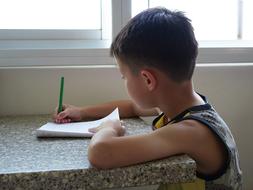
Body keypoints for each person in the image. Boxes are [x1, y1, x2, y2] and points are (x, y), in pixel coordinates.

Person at [53, 7, 242, 190]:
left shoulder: (192, 132)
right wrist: (81, 112)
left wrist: (108, 128)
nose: (124, 81)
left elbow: (101, 153)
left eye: (124, 77)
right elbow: (132, 107)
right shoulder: (176, 103)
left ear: (147, 79)